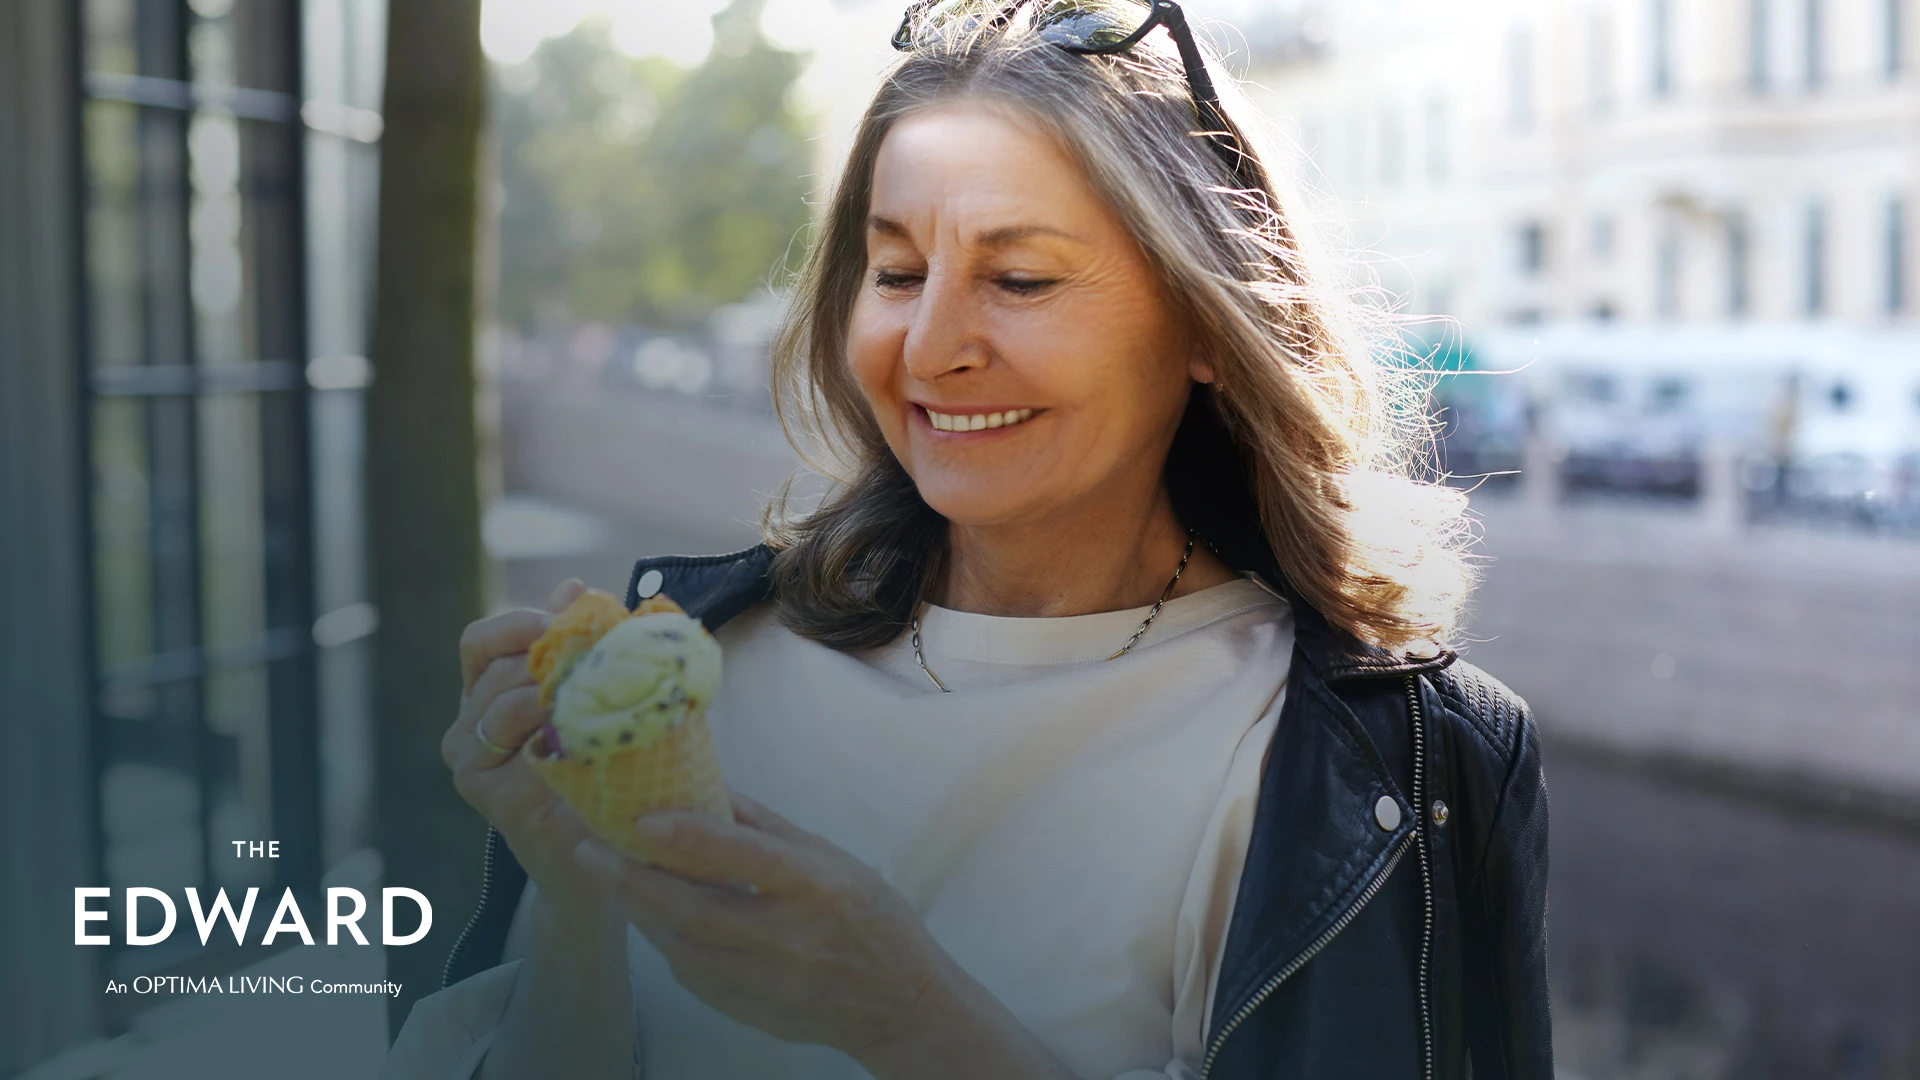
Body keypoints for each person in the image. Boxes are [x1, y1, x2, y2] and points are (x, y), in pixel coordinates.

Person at [382, 0, 1551, 1076]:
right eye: (897, 271)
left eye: (1022, 278)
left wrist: (908, 1018)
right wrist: (575, 891)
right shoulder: (706, 667)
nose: (931, 345)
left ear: (1208, 321)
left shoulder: (1371, 763)